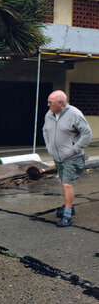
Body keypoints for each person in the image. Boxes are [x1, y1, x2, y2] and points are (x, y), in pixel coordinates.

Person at [42, 90, 91, 227]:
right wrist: (49, 147)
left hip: (72, 157)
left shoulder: (75, 114)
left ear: (60, 103)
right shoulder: (50, 114)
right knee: (64, 182)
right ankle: (69, 206)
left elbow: (87, 133)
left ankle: (67, 216)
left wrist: (74, 149)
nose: (48, 105)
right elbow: (45, 130)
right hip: (58, 156)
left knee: (67, 183)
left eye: (50, 102)